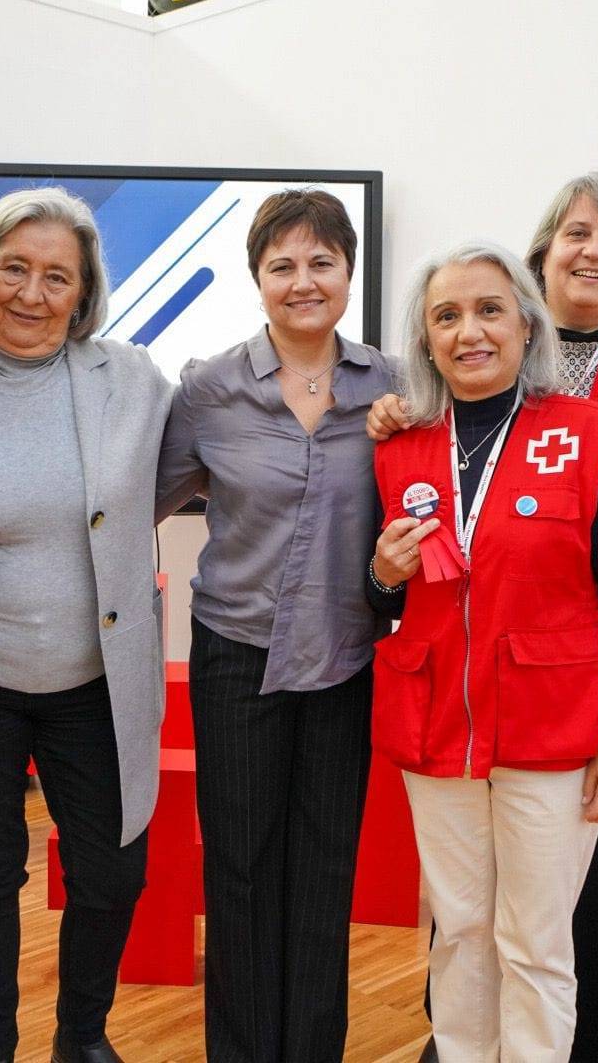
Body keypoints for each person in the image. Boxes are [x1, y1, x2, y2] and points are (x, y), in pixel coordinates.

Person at [369, 174, 598, 1063]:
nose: (471, 330)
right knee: (461, 928)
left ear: (521, 317)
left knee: (563, 928)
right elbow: (378, 588)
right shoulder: (403, 434)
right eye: (448, 315)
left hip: (576, 702)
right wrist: (384, 576)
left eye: (490, 311)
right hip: (448, 718)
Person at [0, 187, 172, 1063]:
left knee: (112, 872)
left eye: (55, 276)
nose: (31, 293)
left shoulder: (133, 380)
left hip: (96, 683)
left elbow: (198, 466)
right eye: (13, 268)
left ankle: (80, 1038)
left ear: (84, 290)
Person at [155, 188, 397, 1063]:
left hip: (344, 658)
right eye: (282, 265)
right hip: (236, 658)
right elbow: (140, 502)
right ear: (257, 278)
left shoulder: (395, 387)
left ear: (348, 272)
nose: (303, 281)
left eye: (321, 262)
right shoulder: (208, 389)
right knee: (241, 871)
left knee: (326, 868)